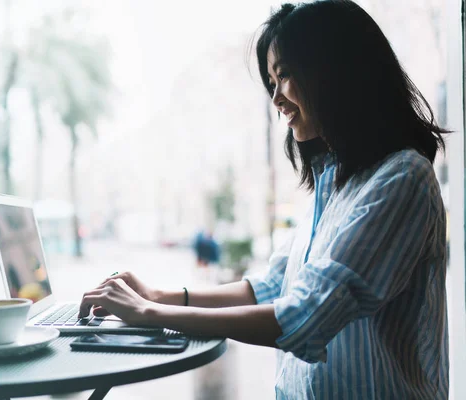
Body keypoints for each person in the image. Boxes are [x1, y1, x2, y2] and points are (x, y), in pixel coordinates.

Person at [78, 1, 449, 398]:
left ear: (335, 70)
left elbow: (305, 315)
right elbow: (273, 287)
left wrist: (152, 314)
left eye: (284, 76)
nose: (276, 99)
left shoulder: (403, 178)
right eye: (271, 83)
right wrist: (158, 296)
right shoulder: (336, 183)